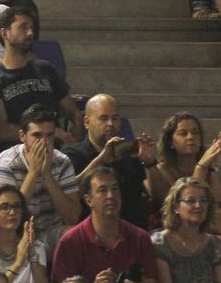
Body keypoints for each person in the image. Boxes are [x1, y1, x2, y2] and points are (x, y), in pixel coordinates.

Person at [0, 7, 80, 150]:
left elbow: (73, 112)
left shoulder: (45, 69)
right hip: (18, 151)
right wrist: (51, 133)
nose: (30, 33)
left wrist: (74, 141)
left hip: (55, 148)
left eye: (32, 28)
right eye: (23, 27)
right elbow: (2, 131)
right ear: (5, 34)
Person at [0, 105, 81, 251]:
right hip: (16, 233)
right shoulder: (5, 163)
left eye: (49, 135)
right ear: (22, 136)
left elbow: (72, 217)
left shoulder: (62, 161)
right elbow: (4, 214)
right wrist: (33, 172)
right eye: (37, 135)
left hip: (51, 231)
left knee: (75, 234)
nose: (44, 142)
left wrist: (47, 176)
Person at [62, 93, 155, 231]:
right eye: (103, 119)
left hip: (133, 235)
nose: (111, 124)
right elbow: (69, 197)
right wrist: (101, 159)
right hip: (90, 236)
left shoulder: (130, 155)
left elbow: (157, 195)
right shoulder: (71, 155)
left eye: (115, 118)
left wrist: (150, 164)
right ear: (86, 122)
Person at [154, 178, 221, 283]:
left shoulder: (215, 243)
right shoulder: (160, 242)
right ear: (176, 207)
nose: (198, 205)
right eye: (191, 201)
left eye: (203, 201)